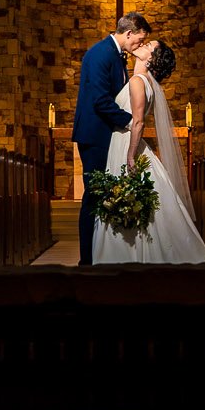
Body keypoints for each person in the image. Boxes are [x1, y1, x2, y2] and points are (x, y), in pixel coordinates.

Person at [92, 39, 205, 266]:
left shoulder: (138, 81)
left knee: (129, 199)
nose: (143, 44)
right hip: (122, 142)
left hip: (127, 144)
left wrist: (130, 155)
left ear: (151, 58)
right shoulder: (141, 81)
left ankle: (126, 257)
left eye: (149, 45)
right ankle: (127, 254)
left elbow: (137, 123)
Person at [72, 13, 149, 266]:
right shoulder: (100, 54)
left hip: (106, 134)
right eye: (140, 39)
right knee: (93, 197)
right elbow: (100, 100)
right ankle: (86, 261)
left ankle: (103, 253)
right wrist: (131, 121)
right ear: (129, 33)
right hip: (95, 136)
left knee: (102, 195)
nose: (140, 44)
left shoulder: (115, 55)